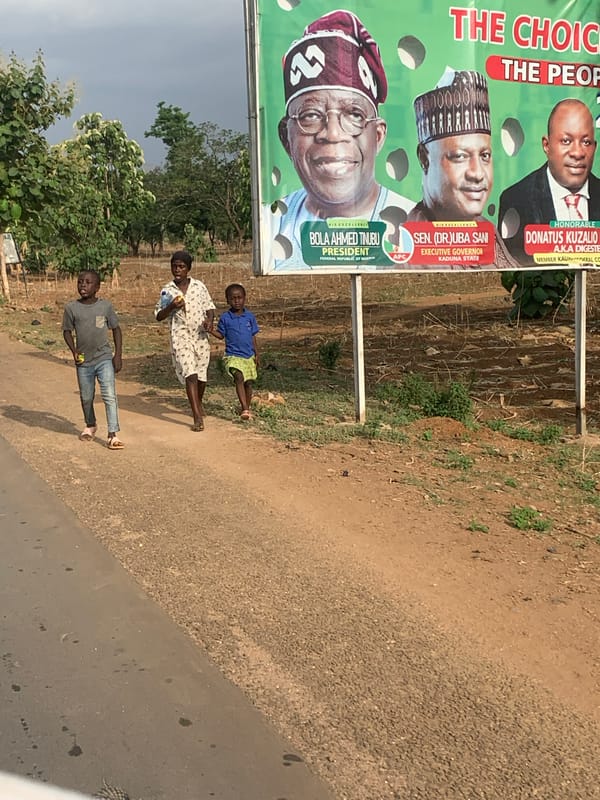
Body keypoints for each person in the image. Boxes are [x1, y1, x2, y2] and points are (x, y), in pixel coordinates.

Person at [267, 9, 413, 270]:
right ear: (286, 138)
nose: (332, 134)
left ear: (377, 136)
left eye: (354, 115)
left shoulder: (414, 226)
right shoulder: (269, 227)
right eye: (311, 115)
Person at [407, 67, 515, 269]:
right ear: (424, 158)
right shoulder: (408, 248)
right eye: (460, 156)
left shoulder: (488, 232)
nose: (477, 173)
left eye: (484, 156)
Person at [498, 98, 599, 263]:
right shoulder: (517, 198)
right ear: (546, 145)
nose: (578, 153)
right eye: (566, 141)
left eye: (586, 142)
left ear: (594, 147)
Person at [62, 269, 124, 449]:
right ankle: (90, 425)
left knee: (109, 395)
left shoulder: (105, 307)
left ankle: (113, 434)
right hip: (83, 361)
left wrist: (118, 355)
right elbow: (67, 331)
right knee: (86, 396)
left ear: (97, 287)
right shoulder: (71, 308)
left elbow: (116, 329)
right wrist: (74, 351)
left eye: (88, 282)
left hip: (104, 358)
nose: (83, 285)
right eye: (80, 282)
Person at [155, 251, 215, 432]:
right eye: (174, 266)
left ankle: (198, 403)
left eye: (181, 266)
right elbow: (159, 315)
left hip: (200, 335)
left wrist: (210, 321)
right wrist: (171, 306)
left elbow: (209, 307)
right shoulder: (167, 290)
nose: (177, 270)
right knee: (191, 374)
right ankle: (197, 417)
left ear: (188, 268)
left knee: (201, 376)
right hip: (180, 336)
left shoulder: (199, 286)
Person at [210, 284, 259, 421]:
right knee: (239, 377)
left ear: (244, 298)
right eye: (233, 298)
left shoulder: (249, 317)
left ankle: (246, 408)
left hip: (248, 356)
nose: (237, 301)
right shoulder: (225, 318)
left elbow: (253, 336)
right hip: (233, 356)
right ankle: (245, 408)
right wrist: (210, 330)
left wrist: (257, 354)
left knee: (248, 383)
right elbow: (221, 335)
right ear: (227, 300)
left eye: (239, 298)